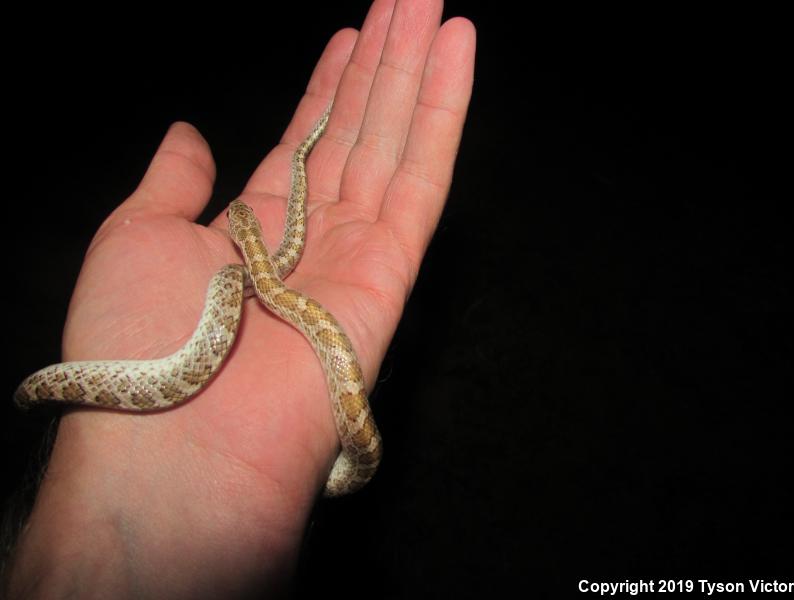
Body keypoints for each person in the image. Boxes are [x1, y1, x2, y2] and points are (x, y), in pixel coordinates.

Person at [4, 0, 475, 597]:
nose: (243, 218)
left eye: (244, 223)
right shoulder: (243, 279)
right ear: (250, 239)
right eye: (247, 225)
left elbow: (359, 457)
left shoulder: (254, 276)